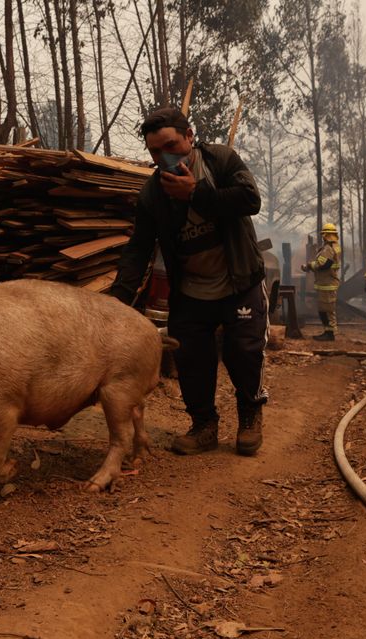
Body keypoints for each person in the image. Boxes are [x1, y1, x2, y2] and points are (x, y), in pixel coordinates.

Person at [109, 107, 267, 457]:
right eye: (154, 151)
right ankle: (204, 425)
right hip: (193, 289)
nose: (163, 156)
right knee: (192, 359)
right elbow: (139, 249)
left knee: (244, 351)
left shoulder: (219, 161)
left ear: (189, 138)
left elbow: (250, 200)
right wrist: (116, 300)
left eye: (171, 145)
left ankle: (249, 416)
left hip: (239, 281)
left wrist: (195, 193)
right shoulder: (152, 194)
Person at [301, 223, 342, 341]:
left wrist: (308, 266)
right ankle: (328, 332)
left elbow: (323, 265)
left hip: (327, 283)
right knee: (326, 309)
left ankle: (329, 334)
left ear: (326, 235)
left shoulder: (328, 248)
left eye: (324, 235)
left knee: (326, 310)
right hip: (328, 282)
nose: (323, 237)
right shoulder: (335, 246)